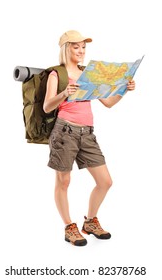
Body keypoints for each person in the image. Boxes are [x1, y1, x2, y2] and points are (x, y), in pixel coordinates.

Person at [43, 30, 135, 246]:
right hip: (65, 132)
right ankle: (69, 227)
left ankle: (90, 222)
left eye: (83, 47)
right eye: (76, 47)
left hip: (87, 133)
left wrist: (124, 90)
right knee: (64, 182)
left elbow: (108, 103)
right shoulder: (56, 75)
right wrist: (65, 93)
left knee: (105, 181)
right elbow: (47, 106)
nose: (81, 51)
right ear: (66, 49)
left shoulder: (88, 74)